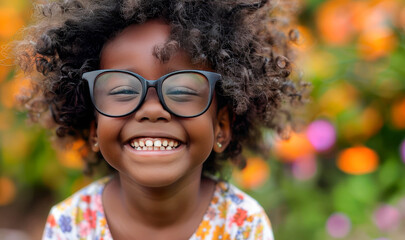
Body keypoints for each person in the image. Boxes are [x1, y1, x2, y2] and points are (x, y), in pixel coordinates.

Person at [15, 0, 301, 239]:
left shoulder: (242, 226)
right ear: (94, 127)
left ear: (221, 127)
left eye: (182, 90)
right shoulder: (71, 225)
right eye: (123, 89)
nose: (152, 110)